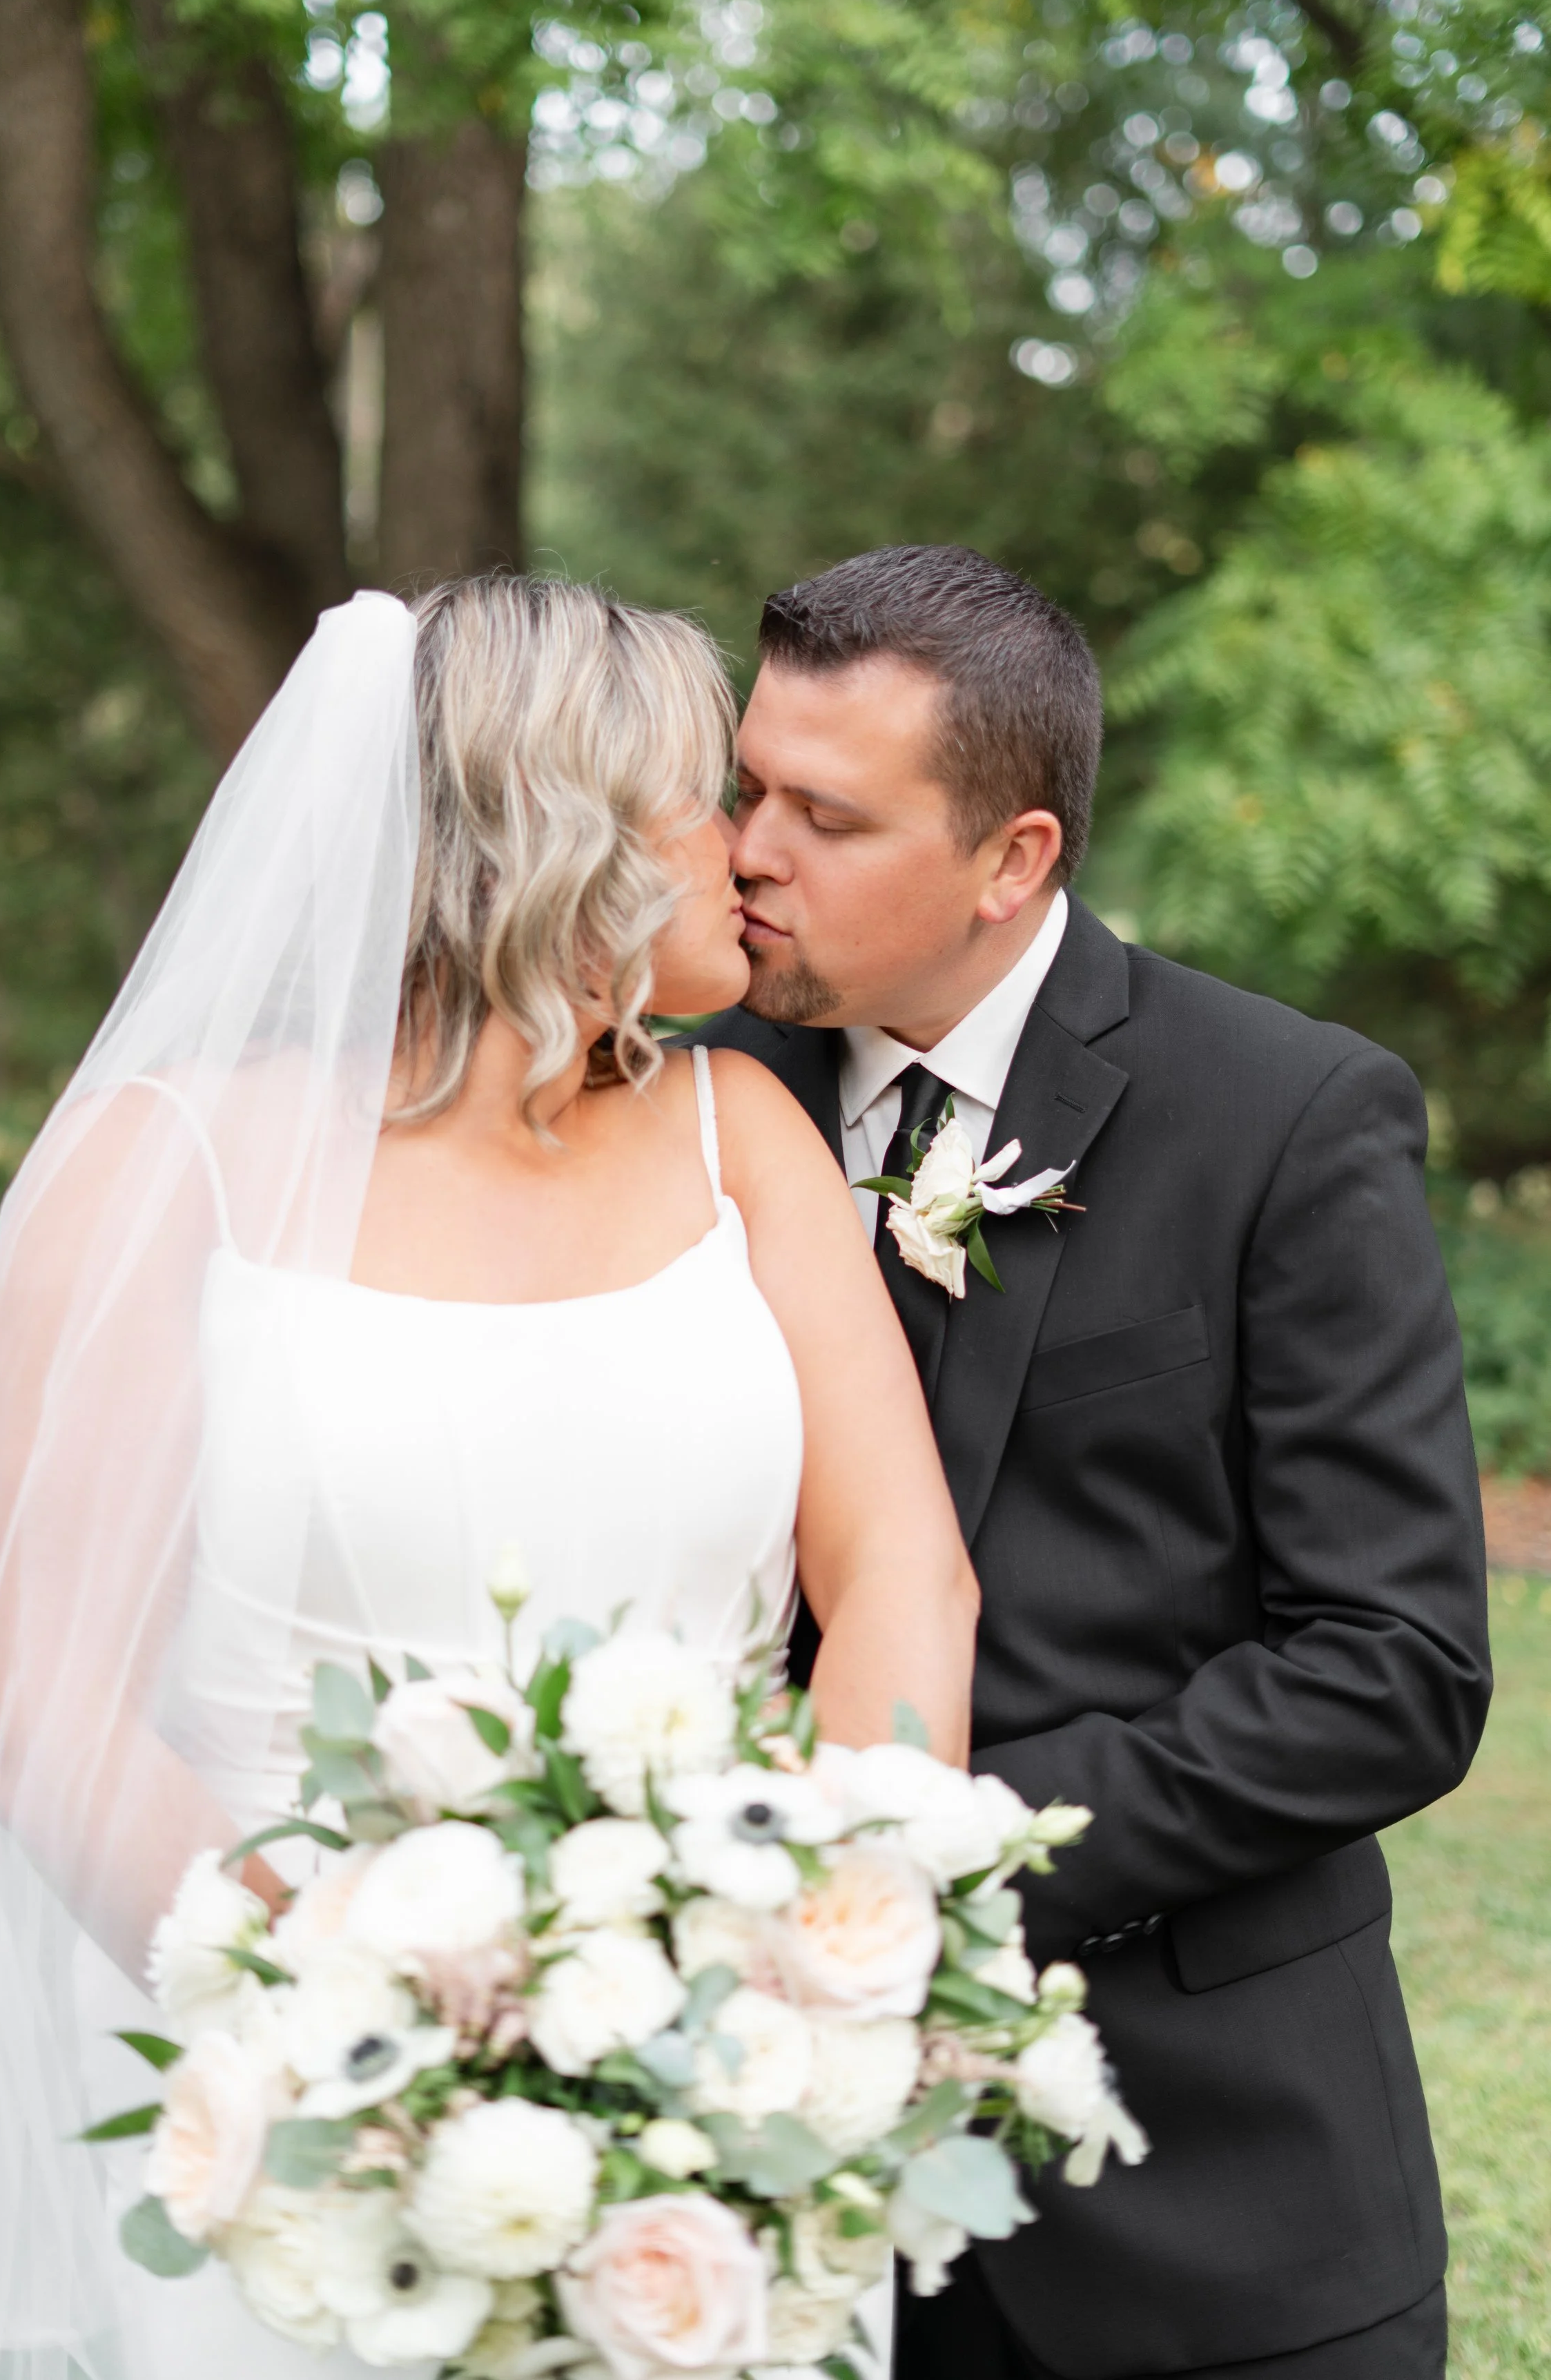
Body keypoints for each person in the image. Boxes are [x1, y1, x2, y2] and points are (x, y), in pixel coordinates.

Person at [0, 579, 979, 2380]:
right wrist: (385, 2033)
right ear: (570, 832)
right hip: (286, 2082)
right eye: (708, 795)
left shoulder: (745, 1135)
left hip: (714, 2087)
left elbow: (901, 1584)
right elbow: (35, 1709)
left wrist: (817, 1959)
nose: (750, 851)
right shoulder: (160, 1166)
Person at [698, 543, 1492, 2380]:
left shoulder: (1283, 1119)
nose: (747, 848)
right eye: (746, 783)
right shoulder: (678, 1109)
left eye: (822, 812)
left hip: (1213, 2202)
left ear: (1011, 858)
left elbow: (1393, 1665)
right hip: (757, 2213)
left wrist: (936, 1862)